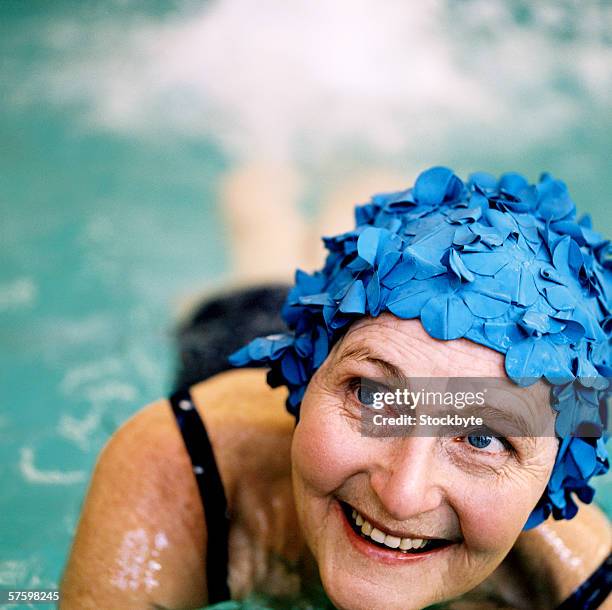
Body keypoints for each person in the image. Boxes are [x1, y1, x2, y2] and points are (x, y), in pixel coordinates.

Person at [60, 167, 611, 609]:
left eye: (484, 439)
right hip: (243, 336)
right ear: (308, 382)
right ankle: (261, 179)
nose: (401, 495)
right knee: (256, 238)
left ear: (549, 485)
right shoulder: (180, 468)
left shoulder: (580, 583)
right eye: (371, 397)